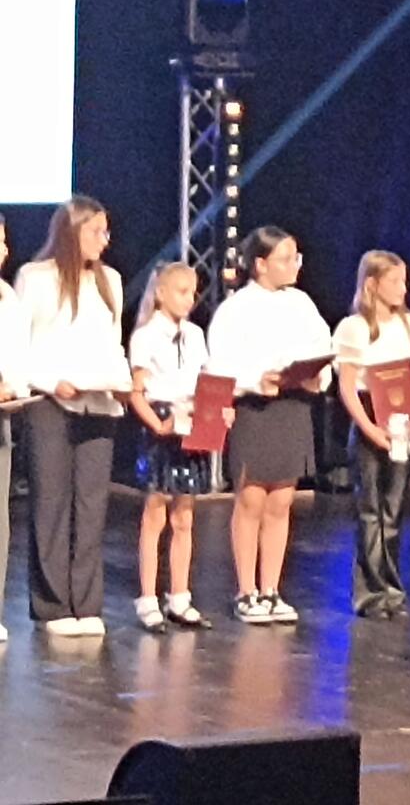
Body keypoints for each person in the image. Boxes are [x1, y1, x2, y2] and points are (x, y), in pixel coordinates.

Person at [17, 196, 130, 638]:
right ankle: (52, 606)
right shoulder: (36, 278)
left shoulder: (110, 280)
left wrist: (122, 382)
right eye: (96, 231)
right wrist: (51, 381)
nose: (105, 239)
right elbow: (20, 345)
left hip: (99, 402)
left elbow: (113, 343)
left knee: (91, 505)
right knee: (51, 503)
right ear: (72, 231)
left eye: (106, 231)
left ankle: (86, 603)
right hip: (51, 402)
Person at [207, 227, 331, 625]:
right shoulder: (236, 309)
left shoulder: (302, 303)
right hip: (255, 409)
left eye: (297, 257)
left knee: (281, 502)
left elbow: (322, 348)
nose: (295, 265)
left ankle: (271, 588)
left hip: (293, 407)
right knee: (252, 501)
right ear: (260, 264)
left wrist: (316, 377)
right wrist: (254, 380)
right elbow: (220, 365)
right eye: (286, 258)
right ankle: (246, 591)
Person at [333, 251, 410, 619]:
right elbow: (348, 388)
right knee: (370, 510)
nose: (403, 288)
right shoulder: (355, 328)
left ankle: (392, 590)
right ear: (372, 284)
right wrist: (368, 429)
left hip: (402, 420)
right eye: (394, 281)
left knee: (394, 509)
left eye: (404, 281)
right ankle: (369, 593)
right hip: (371, 418)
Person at [128, 263, 222, 633]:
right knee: (156, 512)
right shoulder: (146, 336)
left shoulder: (195, 335)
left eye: (192, 292)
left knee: (185, 514)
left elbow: (207, 382)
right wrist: (158, 425)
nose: (189, 299)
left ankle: (179, 596)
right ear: (161, 293)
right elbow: (136, 393)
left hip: (192, 420)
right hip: (162, 421)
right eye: (181, 291)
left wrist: (218, 410)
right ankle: (148, 598)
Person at [0, 211, 30, 644]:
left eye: (4, 241)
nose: (3, 250)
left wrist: (11, 385)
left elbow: (21, 359)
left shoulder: (8, 298)